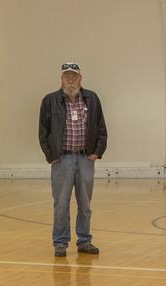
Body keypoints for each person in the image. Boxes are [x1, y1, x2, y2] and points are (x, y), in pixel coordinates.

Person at [38, 62, 107, 257]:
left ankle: (84, 240)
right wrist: (50, 156)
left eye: (74, 76)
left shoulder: (91, 99)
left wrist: (97, 152)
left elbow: (102, 129)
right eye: (67, 76)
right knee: (61, 204)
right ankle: (60, 242)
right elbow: (43, 131)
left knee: (85, 204)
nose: (71, 80)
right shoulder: (50, 101)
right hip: (62, 160)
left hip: (85, 159)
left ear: (80, 78)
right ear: (61, 79)